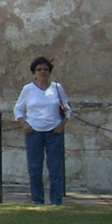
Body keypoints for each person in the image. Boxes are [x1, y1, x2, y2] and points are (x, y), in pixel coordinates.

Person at [14, 56, 72, 205]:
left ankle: (56, 200)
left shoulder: (57, 88)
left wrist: (62, 124)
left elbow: (67, 108)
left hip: (54, 131)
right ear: (34, 73)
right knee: (35, 167)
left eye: (45, 69)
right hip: (34, 132)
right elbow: (18, 109)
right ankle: (37, 199)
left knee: (55, 167)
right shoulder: (28, 89)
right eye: (39, 69)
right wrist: (24, 123)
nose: (42, 72)